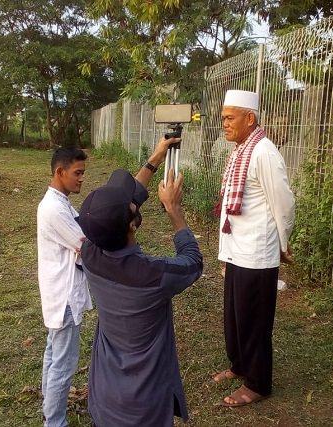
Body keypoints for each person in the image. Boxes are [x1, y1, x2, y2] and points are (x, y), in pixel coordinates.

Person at [78, 138, 203, 427]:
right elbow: (193, 261)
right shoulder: (155, 276)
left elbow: (127, 200)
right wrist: (174, 211)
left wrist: (155, 158)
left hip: (105, 397)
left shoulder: (90, 251)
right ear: (133, 225)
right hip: (144, 409)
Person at [212, 89, 295, 407]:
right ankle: (239, 365)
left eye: (229, 118)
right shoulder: (241, 149)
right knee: (234, 316)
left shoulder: (264, 152)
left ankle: (258, 382)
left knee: (254, 320)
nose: (224, 124)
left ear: (250, 118)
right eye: (223, 118)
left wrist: (281, 245)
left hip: (257, 253)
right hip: (237, 250)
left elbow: (284, 204)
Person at [36, 147, 92, 427]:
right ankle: (54, 422)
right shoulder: (54, 208)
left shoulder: (61, 202)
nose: (82, 179)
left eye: (83, 173)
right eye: (77, 173)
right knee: (63, 363)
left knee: (53, 353)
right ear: (60, 172)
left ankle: (50, 409)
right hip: (65, 296)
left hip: (60, 292)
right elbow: (86, 246)